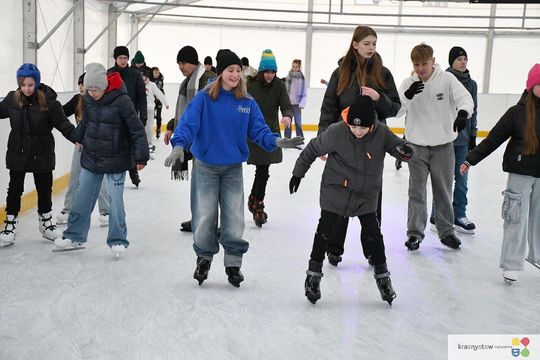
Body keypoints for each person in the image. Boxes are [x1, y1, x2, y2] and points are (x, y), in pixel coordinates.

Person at [164, 50, 303, 287]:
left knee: (234, 217)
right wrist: (179, 145)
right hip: (206, 166)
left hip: (232, 169)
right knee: (205, 216)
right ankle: (204, 258)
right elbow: (188, 124)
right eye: (230, 70)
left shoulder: (246, 102)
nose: (235, 74)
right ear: (220, 72)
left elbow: (259, 131)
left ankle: (233, 263)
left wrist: (275, 141)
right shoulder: (204, 98)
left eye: (239, 70)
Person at [290, 95, 413, 305]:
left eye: (363, 128)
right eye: (354, 127)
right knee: (324, 231)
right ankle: (313, 276)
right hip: (336, 190)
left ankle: (384, 278)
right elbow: (312, 149)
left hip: (366, 194)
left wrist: (406, 152)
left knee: (373, 234)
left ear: (372, 124)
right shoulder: (337, 131)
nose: (357, 131)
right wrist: (298, 173)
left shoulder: (381, 133)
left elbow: (398, 148)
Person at [318, 25, 401, 267]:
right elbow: (329, 107)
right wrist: (324, 139)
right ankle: (334, 247)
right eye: (366, 43)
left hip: (373, 144)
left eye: (374, 44)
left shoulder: (383, 74)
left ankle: (374, 251)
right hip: (343, 142)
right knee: (342, 194)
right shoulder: (340, 73)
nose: (371, 48)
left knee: (371, 196)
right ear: (355, 44)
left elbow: (394, 107)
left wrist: (379, 98)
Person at [53, 63, 149, 257]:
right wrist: (78, 138)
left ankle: (118, 239)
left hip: (116, 159)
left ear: (104, 86)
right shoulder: (88, 99)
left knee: (115, 202)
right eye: (89, 89)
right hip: (92, 157)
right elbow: (87, 122)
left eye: (95, 89)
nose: (92, 93)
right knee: (82, 198)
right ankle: (74, 236)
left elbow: (136, 129)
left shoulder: (122, 101)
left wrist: (141, 156)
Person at [460, 63, 540, 284]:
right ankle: (511, 264)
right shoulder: (517, 113)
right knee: (515, 219)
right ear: (531, 86)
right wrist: (470, 159)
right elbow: (494, 138)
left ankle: (537, 256)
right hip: (521, 172)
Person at [398, 43, 473, 252]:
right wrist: (407, 95)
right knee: (416, 192)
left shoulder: (447, 79)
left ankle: (446, 232)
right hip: (416, 146)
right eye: (416, 64)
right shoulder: (407, 83)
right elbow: (396, 110)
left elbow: (465, 98)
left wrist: (463, 113)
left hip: (443, 146)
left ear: (433, 61)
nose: (420, 68)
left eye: (424, 63)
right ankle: (414, 234)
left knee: (443, 191)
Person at [0, 63, 76, 247]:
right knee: (15, 188)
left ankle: (46, 224)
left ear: (37, 83)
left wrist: (80, 140)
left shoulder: (50, 103)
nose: (26, 88)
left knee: (44, 188)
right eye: (23, 84)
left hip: (42, 151)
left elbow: (64, 126)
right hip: (18, 152)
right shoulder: (12, 99)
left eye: (30, 85)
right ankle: (10, 224)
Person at [164, 45, 216, 233]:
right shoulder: (187, 83)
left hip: (206, 139)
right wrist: (172, 126)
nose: (180, 66)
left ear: (194, 62)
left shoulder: (207, 80)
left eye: (184, 62)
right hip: (192, 138)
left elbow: (206, 110)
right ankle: (198, 218)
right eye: (178, 63)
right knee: (198, 181)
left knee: (205, 182)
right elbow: (187, 111)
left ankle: (207, 222)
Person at [429, 46, 478, 234]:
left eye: (465, 58)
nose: (463, 62)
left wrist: (473, 134)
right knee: (444, 180)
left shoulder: (472, 84)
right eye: (459, 59)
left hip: (463, 141)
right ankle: (437, 213)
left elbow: (474, 109)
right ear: (451, 62)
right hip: (445, 139)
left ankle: (459, 214)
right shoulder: (443, 80)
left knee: (462, 180)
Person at [246, 49, 293, 227]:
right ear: (261, 71)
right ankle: (254, 200)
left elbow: (286, 105)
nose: (270, 75)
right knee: (261, 169)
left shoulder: (279, 86)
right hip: (252, 132)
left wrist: (287, 116)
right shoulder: (251, 85)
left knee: (263, 169)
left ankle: (257, 203)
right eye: (267, 71)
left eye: (273, 71)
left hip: (270, 133)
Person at [56, 73, 110, 227]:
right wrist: (75, 135)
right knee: (74, 177)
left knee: (101, 179)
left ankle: (105, 211)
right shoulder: (77, 100)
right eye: (79, 83)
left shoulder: (101, 101)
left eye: (83, 84)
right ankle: (68, 210)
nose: (81, 87)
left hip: (99, 147)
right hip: (81, 147)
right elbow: (60, 113)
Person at [108, 45, 147, 188]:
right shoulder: (109, 74)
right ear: (115, 59)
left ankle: (133, 172)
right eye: (120, 58)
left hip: (130, 115)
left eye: (125, 58)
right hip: (113, 116)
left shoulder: (135, 75)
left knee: (130, 144)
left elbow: (141, 97)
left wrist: (143, 116)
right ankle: (113, 170)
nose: (123, 60)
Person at [142, 70, 169, 157]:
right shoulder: (137, 83)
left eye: (144, 76)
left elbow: (159, 94)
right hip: (140, 109)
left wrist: (165, 103)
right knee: (140, 127)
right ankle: (140, 146)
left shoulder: (152, 85)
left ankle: (149, 146)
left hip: (150, 108)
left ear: (147, 77)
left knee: (149, 127)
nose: (142, 78)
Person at [284, 59, 307, 139]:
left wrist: (302, 103)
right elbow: (284, 91)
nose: (294, 68)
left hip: (297, 105)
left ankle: (299, 139)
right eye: (293, 66)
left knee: (298, 123)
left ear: (299, 67)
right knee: (288, 122)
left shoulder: (302, 79)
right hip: (288, 104)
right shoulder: (288, 77)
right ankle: (287, 139)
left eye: (296, 66)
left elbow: (304, 93)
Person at [150, 67, 165, 139]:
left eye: (158, 73)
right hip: (152, 101)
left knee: (159, 116)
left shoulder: (160, 80)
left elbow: (159, 90)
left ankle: (158, 129)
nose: (157, 74)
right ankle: (149, 130)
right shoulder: (150, 81)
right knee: (151, 116)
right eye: (155, 73)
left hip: (158, 101)